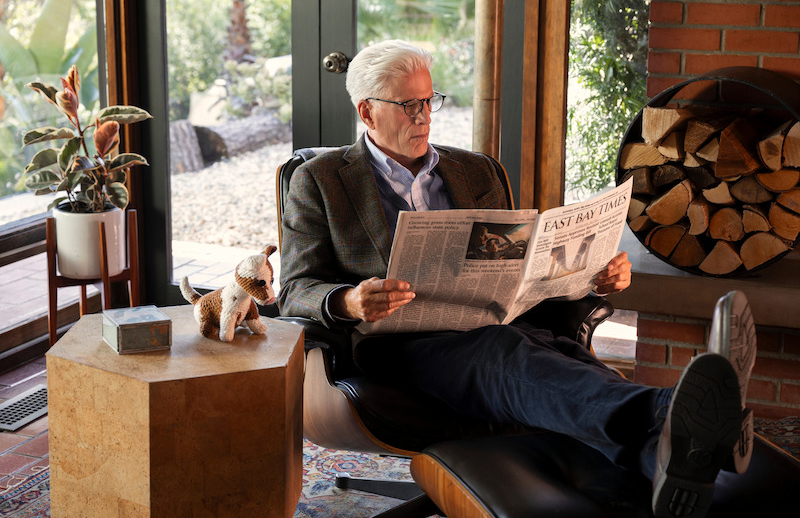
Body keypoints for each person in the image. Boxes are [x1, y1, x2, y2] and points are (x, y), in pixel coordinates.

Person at [278, 39, 755, 518]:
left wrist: (592, 278)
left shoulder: (475, 170)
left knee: (561, 355)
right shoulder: (320, 180)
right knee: (503, 353)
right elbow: (295, 287)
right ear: (367, 111)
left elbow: (518, 265)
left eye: (430, 100)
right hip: (400, 344)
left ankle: (665, 461)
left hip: (498, 321)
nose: (424, 116)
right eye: (408, 105)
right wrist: (350, 301)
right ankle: (673, 411)